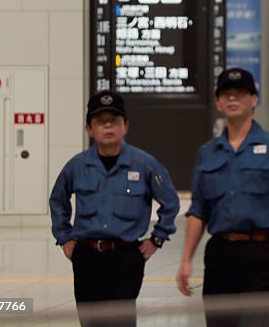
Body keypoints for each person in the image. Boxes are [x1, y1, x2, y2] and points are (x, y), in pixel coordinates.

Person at [177, 68, 269, 327]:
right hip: (220, 253)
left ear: (254, 100)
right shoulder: (208, 153)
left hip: (261, 251)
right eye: (226, 94)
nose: (233, 99)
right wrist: (186, 260)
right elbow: (199, 210)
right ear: (218, 103)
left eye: (240, 93)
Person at [49, 90, 180, 327]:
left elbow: (170, 202)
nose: (108, 126)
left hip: (126, 257)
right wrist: (64, 237)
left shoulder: (144, 164)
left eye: (114, 120)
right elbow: (58, 200)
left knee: (121, 322)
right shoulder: (77, 166)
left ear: (125, 126)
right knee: (90, 321)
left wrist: (157, 238)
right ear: (89, 129)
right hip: (87, 257)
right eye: (100, 121)